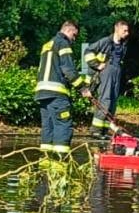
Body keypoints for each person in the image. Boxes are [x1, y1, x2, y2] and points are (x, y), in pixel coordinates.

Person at [34, 21, 91, 155]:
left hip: (42, 94)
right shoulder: (63, 44)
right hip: (57, 94)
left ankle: (45, 161)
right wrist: (83, 89)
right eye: (74, 35)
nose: (74, 39)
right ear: (69, 30)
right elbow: (68, 70)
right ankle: (60, 162)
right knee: (63, 124)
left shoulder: (47, 44)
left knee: (48, 127)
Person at [84, 19, 130, 133]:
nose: (127, 33)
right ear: (116, 29)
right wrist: (97, 65)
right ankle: (96, 129)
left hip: (116, 73)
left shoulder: (124, 44)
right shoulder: (105, 42)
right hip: (106, 73)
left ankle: (104, 129)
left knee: (113, 101)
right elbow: (88, 52)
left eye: (127, 31)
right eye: (124, 31)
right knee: (105, 100)